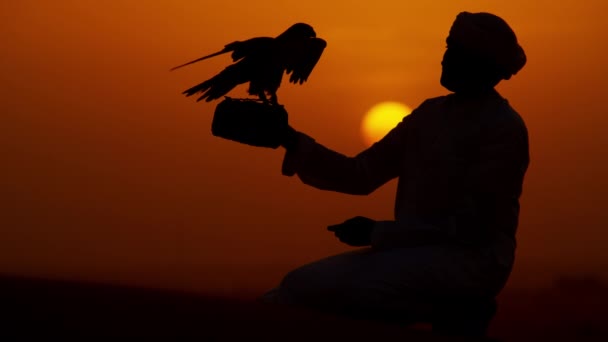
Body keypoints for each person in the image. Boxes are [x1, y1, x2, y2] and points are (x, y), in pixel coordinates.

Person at [214, 11, 529, 336]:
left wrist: (379, 233)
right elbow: (360, 174)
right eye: (447, 46)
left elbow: (471, 228)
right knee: (292, 290)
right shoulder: (429, 115)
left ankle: (460, 311)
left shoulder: (503, 128)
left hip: (470, 263)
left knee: (336, 297)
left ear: (480, 63)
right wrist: (289, 139)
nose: (445, 57)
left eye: (457, 50)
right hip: (411, 253)